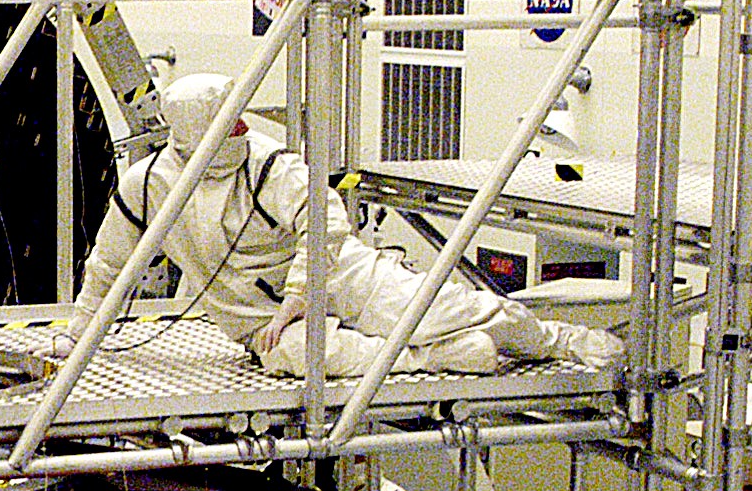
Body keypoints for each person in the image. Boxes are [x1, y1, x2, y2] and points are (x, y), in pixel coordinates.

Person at [70, 73, 622, 378]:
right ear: (191, 133)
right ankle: (427, 358)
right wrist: (77, 336)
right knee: (302, 357)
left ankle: (560, 342)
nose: (241, 128)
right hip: (260, 318)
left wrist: (300, 293)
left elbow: (326, 218)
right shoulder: (148, 187)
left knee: (454, 308)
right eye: (227, 123)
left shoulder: (267, 163)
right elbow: (108, 265)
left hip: (333, 273)